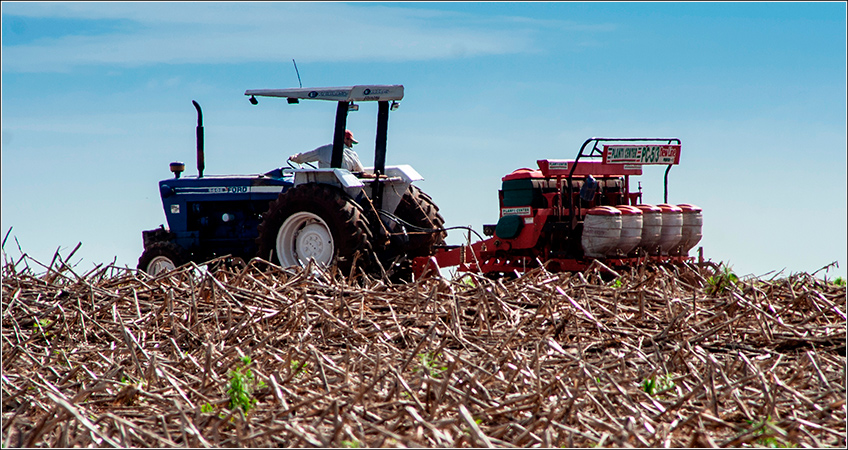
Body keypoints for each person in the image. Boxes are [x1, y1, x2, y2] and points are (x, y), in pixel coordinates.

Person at [288, 129, 365, 172]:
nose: (351, 144)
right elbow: (360, 170)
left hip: (326, 182)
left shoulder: (325, 150)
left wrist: (294, 158)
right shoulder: (353, 154)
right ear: (345, 139)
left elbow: (305, 157)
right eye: (350, 141)